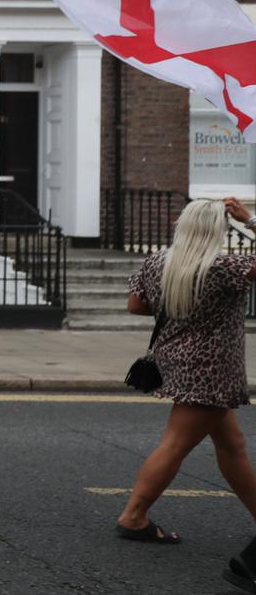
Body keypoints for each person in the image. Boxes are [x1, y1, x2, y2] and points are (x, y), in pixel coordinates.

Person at [116, 197, 256, 566]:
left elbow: (136, 305)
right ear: (218, 230)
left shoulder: (159, 261)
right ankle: (133, 516)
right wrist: (251, 220)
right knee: (175, 444)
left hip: (176, 360)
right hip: (212, 370)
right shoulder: (224, 267)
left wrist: (180, 305)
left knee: (232, 447)